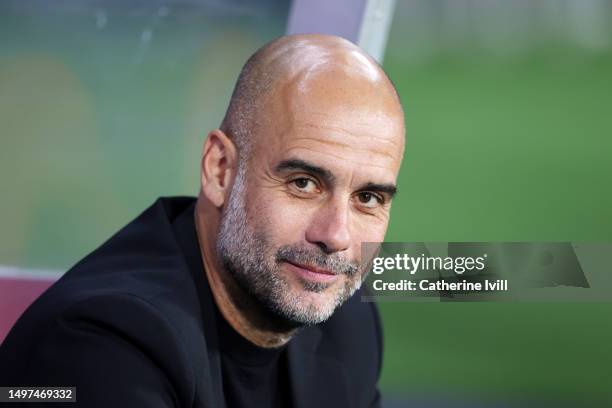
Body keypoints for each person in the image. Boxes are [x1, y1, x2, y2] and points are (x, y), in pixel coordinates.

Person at [0, 34, 405, 407]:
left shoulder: (347, 322)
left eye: (367, 198)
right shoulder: (100, 344)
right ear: (220, 170)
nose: (335, 235)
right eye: (303, 183)